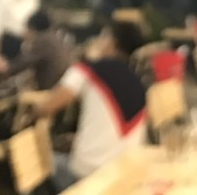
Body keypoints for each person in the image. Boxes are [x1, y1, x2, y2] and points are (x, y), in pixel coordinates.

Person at [37, 20, 148, 189]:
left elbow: (47, 107)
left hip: (86, 176)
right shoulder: (138, 81)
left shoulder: (88, 70)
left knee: (42, 160)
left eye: (102, 37)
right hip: (124, 173)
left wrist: (33, 111)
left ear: (111, 43)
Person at [6, 10, 73, 91]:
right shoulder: (55, 37)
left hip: (51, 89)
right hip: (62, 84)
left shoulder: (42, 41)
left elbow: (24, 63)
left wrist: (7, 67)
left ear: (33, 29)